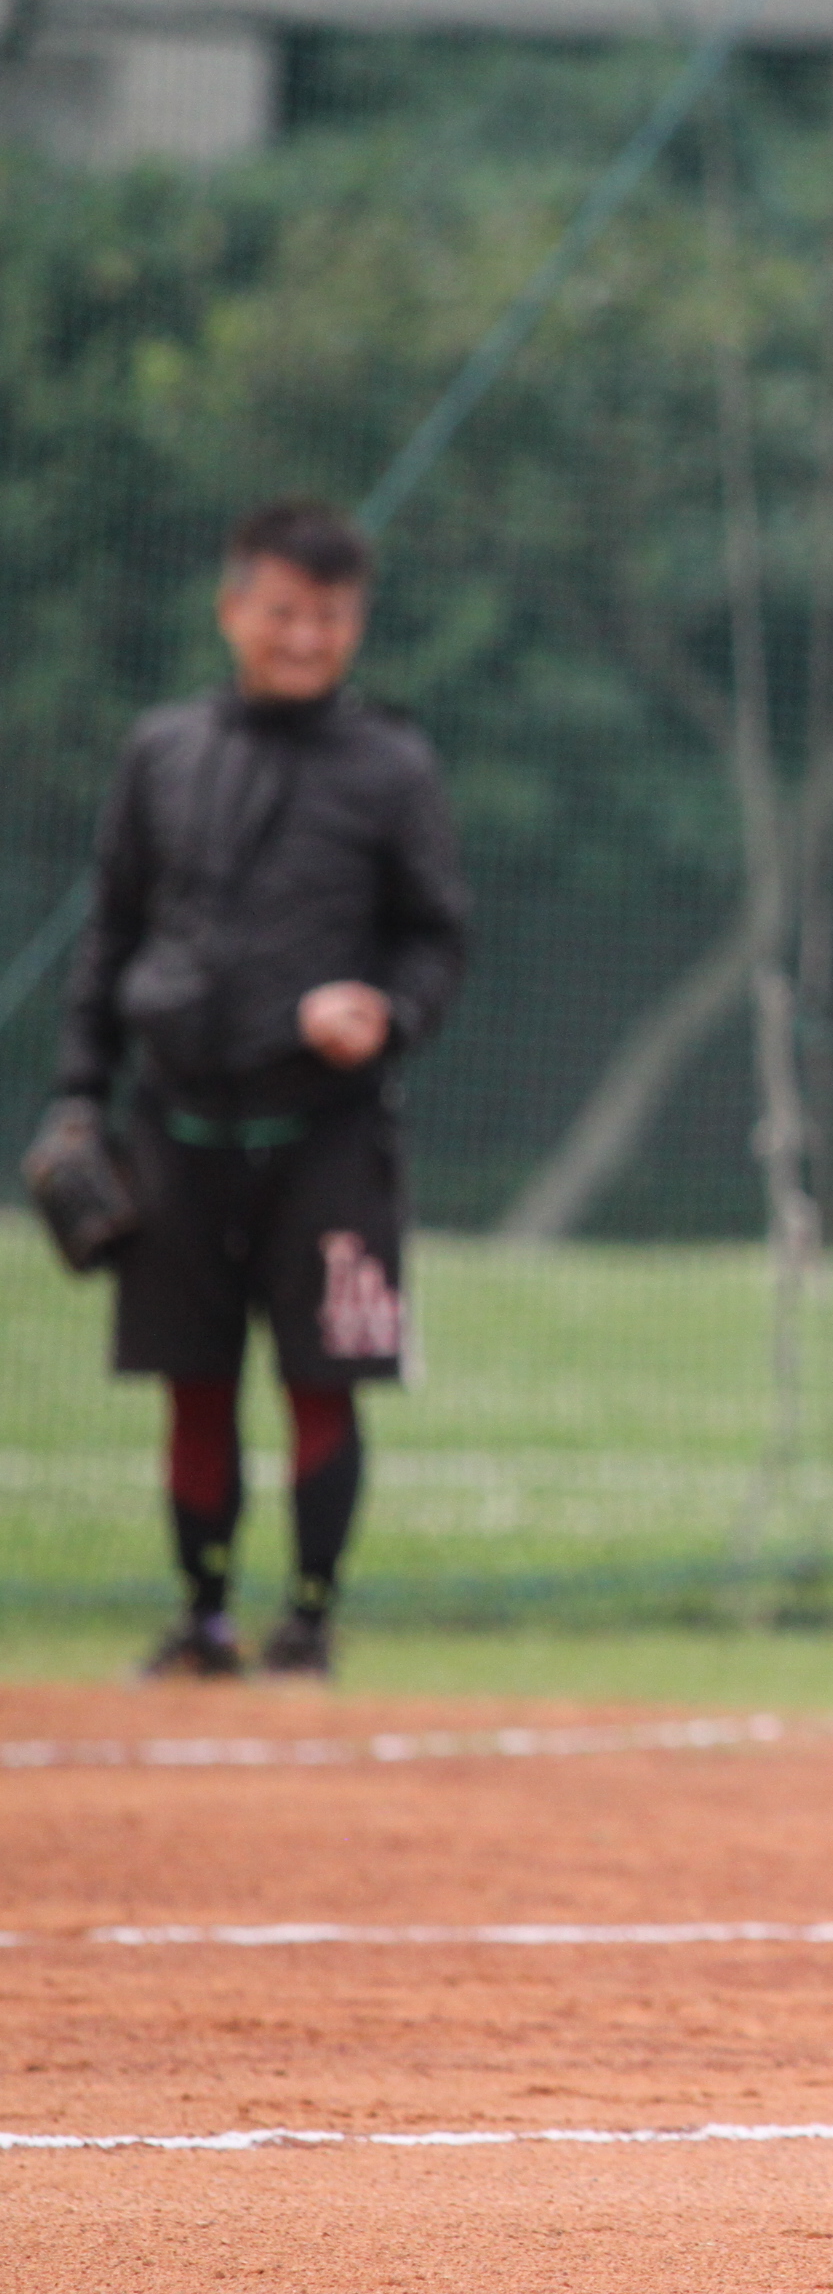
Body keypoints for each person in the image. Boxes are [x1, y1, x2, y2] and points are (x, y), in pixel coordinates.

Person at [40, 497, 471, 1682]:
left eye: (328, 615)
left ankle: (309, 1623)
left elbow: (438, 937)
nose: (304, 636)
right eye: (282, 611)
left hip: (327, 1129)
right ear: (232, 610)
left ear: (356, 624)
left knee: (324, 1376)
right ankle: (205, 1620)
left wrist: (387, 1013)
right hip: (175, 1121)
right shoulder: (164, 751)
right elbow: (112, 933)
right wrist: (79, 1096)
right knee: (193, 1378)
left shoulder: (391, 764)